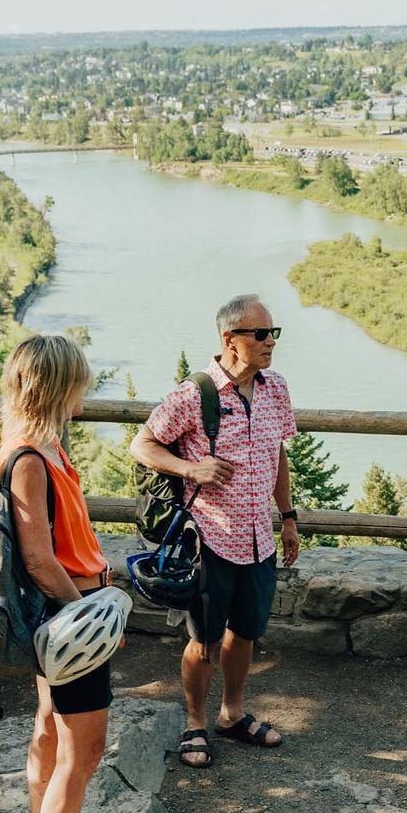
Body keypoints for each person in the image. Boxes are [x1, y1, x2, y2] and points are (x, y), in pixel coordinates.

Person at [131, 294, 300, 770]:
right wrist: (191, 468)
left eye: (273, 333)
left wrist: (287, 518)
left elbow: (278, 454)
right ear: (230, 340)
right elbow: (141, 443)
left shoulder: (275, 388)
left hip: (258, 539)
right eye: (260, 334)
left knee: (245, 631)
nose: (271, 343)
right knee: (204, 638)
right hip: (209, 539)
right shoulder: (195, 393)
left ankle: (233, 713)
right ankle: (195, 723)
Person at [0, 334, 125, 813]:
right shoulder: (28, 459)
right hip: (66, 623)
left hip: (57, 620)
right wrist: (91, 619)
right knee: (83, 754)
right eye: (79, 378)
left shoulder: (37, 447)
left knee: (48, 736)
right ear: (56, 386)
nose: (86, 387)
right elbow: (41, 559)